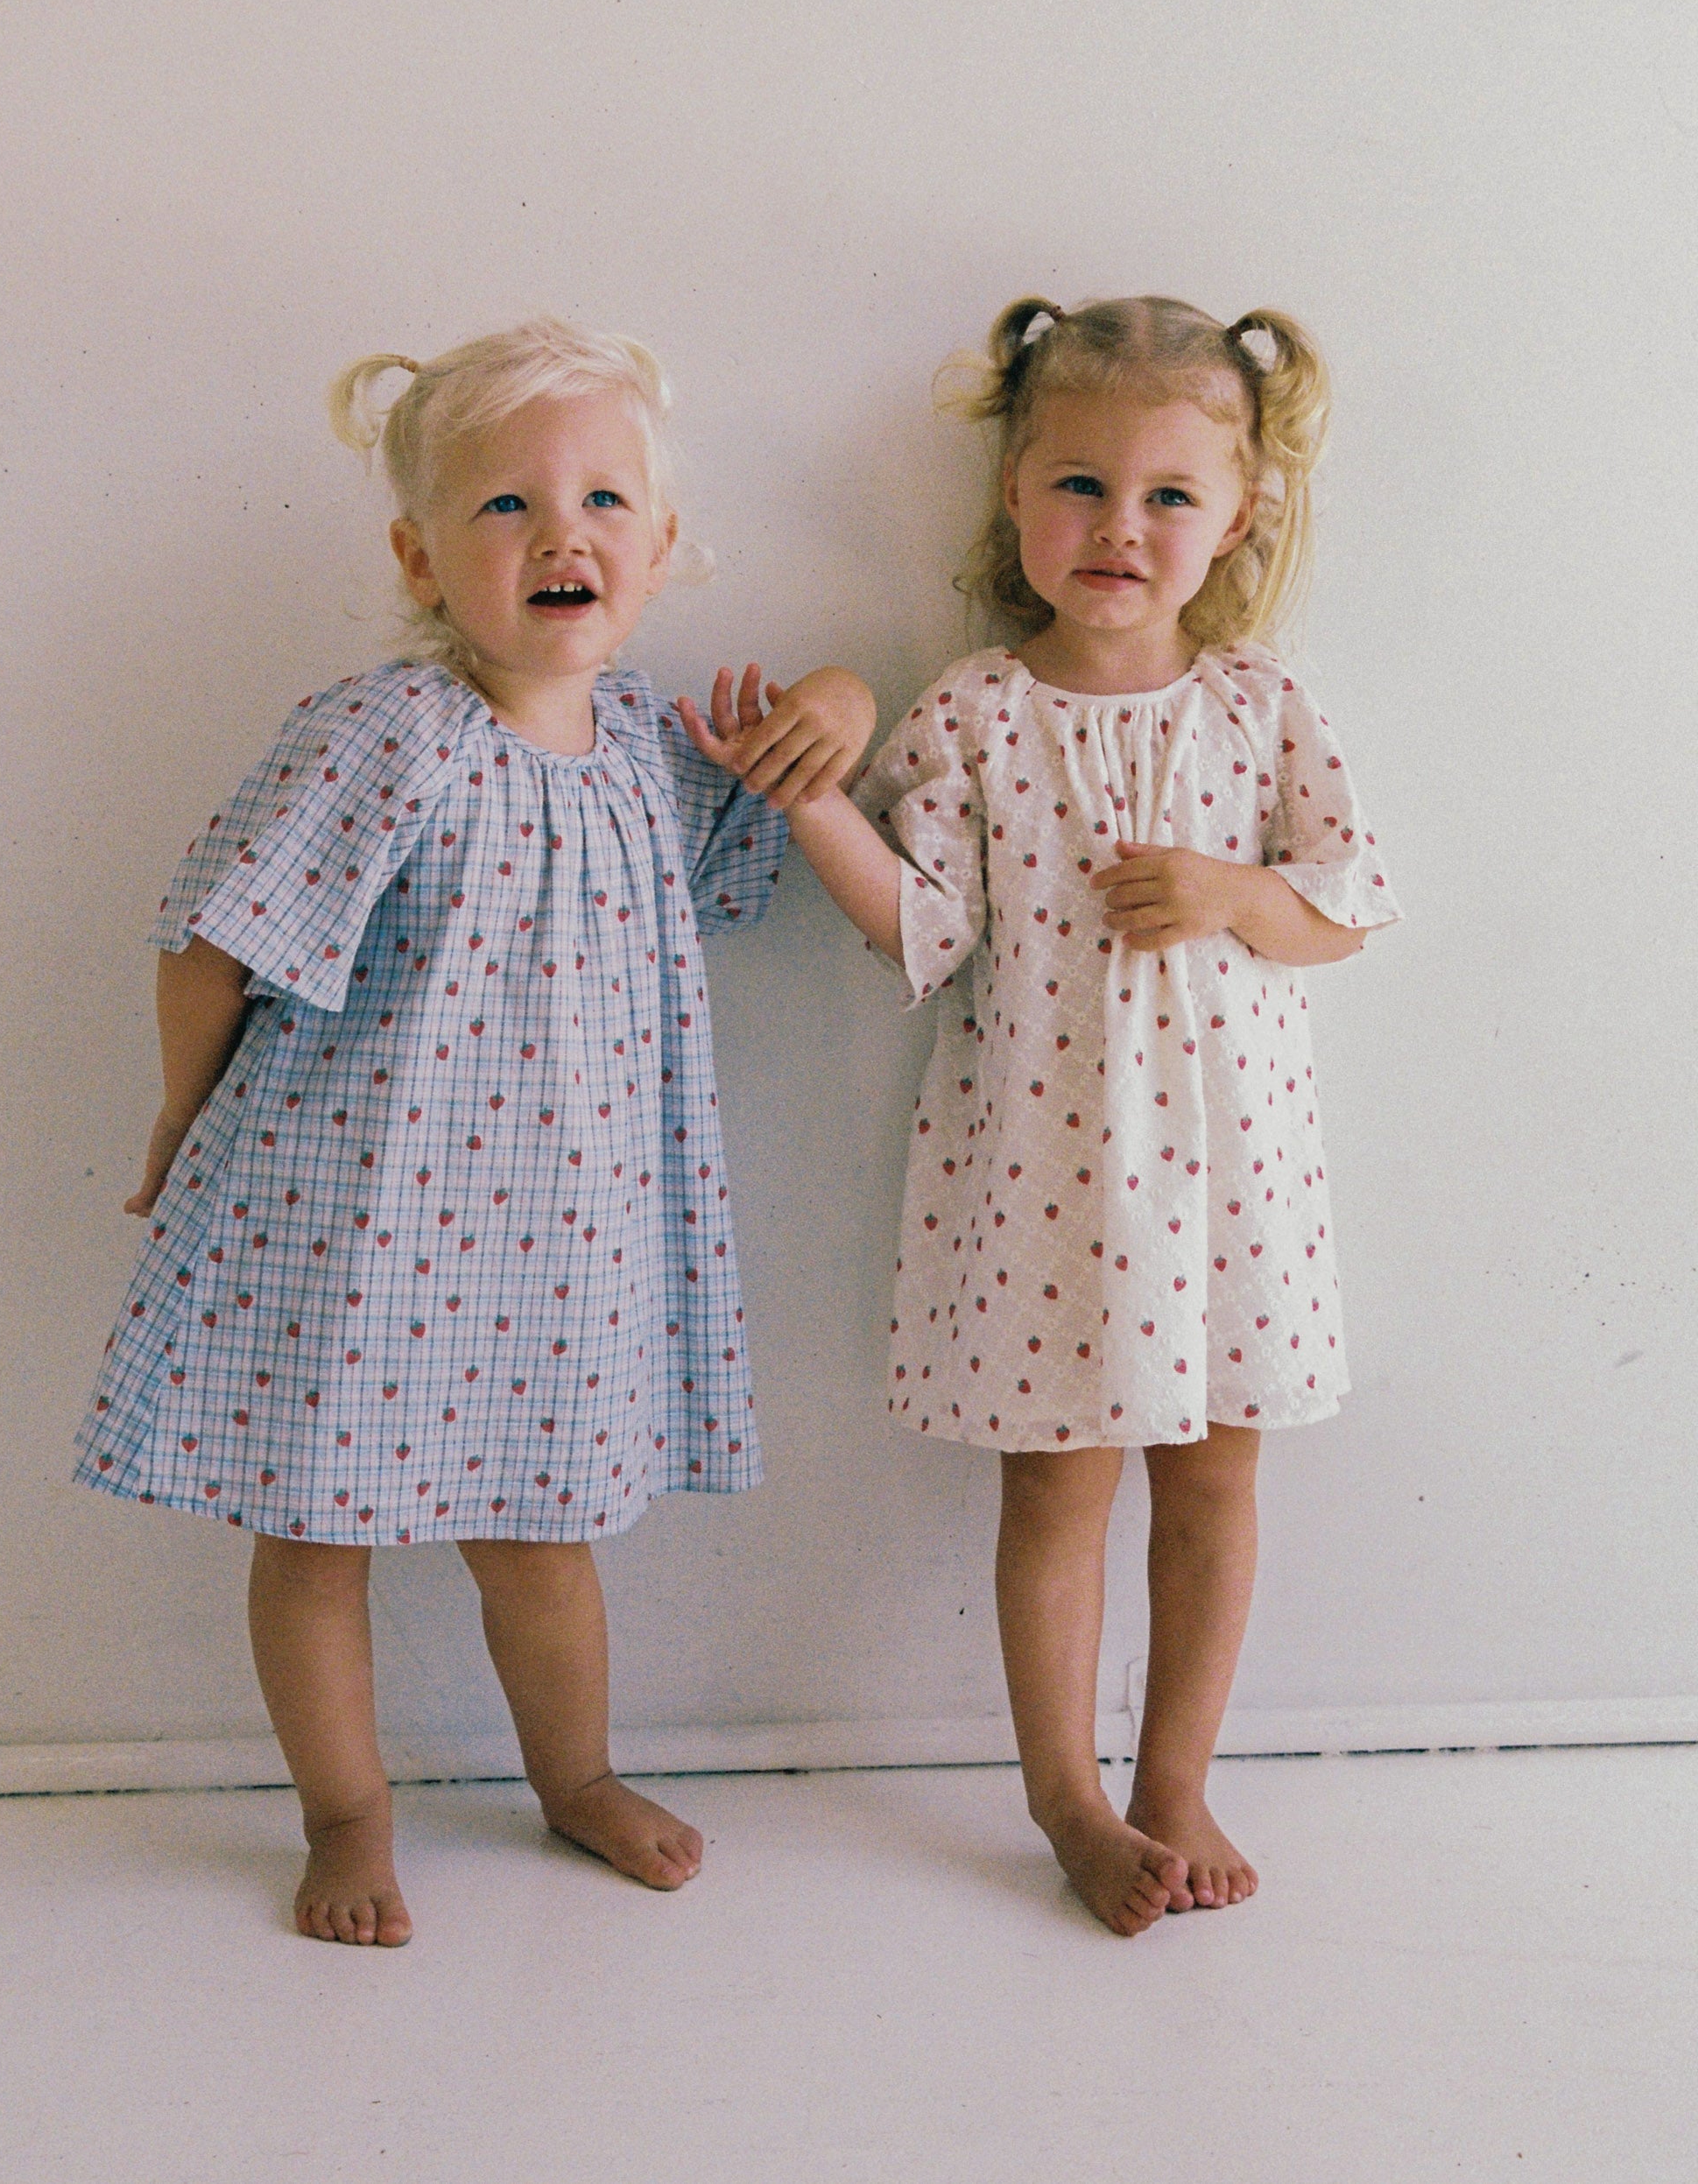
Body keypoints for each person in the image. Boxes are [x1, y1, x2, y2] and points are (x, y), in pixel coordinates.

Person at [75, 318, 874, 1947]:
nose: (559, 532)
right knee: (316, 1533)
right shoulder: (389, 737)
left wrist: (846, 697)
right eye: (505, 505)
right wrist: (180, 1105)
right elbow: (215, 934)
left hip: (557, 1241)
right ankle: (348, 1814)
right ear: (423, 557)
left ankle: (572, 1776)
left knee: (546, 1534)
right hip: (349, 1216)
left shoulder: (650, 751)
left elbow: (793, 786)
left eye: (599, 501)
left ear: (658, 549)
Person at [686, 294, 1398, 1936]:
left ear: (1237, 518)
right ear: (1015, 499)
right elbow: (920, 929)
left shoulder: (1259, 707)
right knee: (1058, 1491)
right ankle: (1065, 1797)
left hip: (1228, 1172)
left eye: (1166, 496)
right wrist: (809, 803)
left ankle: (1173, 1778)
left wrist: (1236, 891)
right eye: (1078, 486)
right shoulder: (979, 714)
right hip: (1047, 1178)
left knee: (1218, 1478)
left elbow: (1345, 909)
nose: (1119, 529)